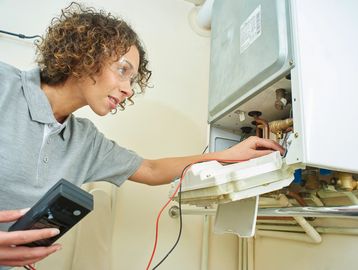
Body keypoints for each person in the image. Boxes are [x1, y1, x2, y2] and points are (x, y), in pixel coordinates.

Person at [0, 2, 284, 268]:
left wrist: (225, 156)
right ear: (83, 55)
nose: (129, 89)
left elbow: (149, 169)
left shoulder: (84, 140)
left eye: (133, 79)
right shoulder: (5, 85)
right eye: (122, 70)